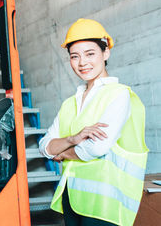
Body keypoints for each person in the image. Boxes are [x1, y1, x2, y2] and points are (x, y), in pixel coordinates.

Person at [38, 19, 148, 226]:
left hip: (105, 203)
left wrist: (63, 152)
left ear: (105, 53)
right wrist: (73, 138)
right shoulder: (69, 104)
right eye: (74, 56)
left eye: (90, 54)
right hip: (72, 198)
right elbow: (44, 147)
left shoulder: (119, 95)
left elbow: (96, 147)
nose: (82, 63)